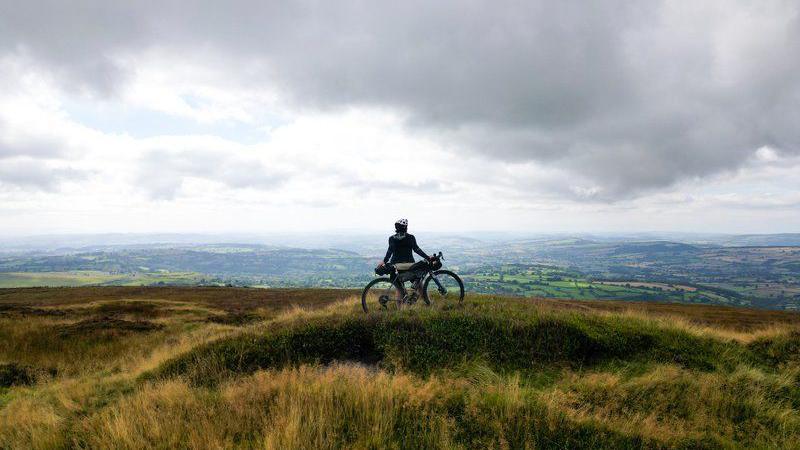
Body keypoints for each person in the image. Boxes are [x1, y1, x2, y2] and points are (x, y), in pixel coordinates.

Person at [378, 219, 432, 298]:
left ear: (396, 228)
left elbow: (389, 252)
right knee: (420, 285)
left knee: (400, 289)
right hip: (410, 266)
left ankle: (401, 309)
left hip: (395, 266)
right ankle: (427, 304)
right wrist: (427, 257)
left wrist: (384, 261)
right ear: (406, 227)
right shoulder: (411, 237)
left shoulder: (392, 238)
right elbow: (417, 250)